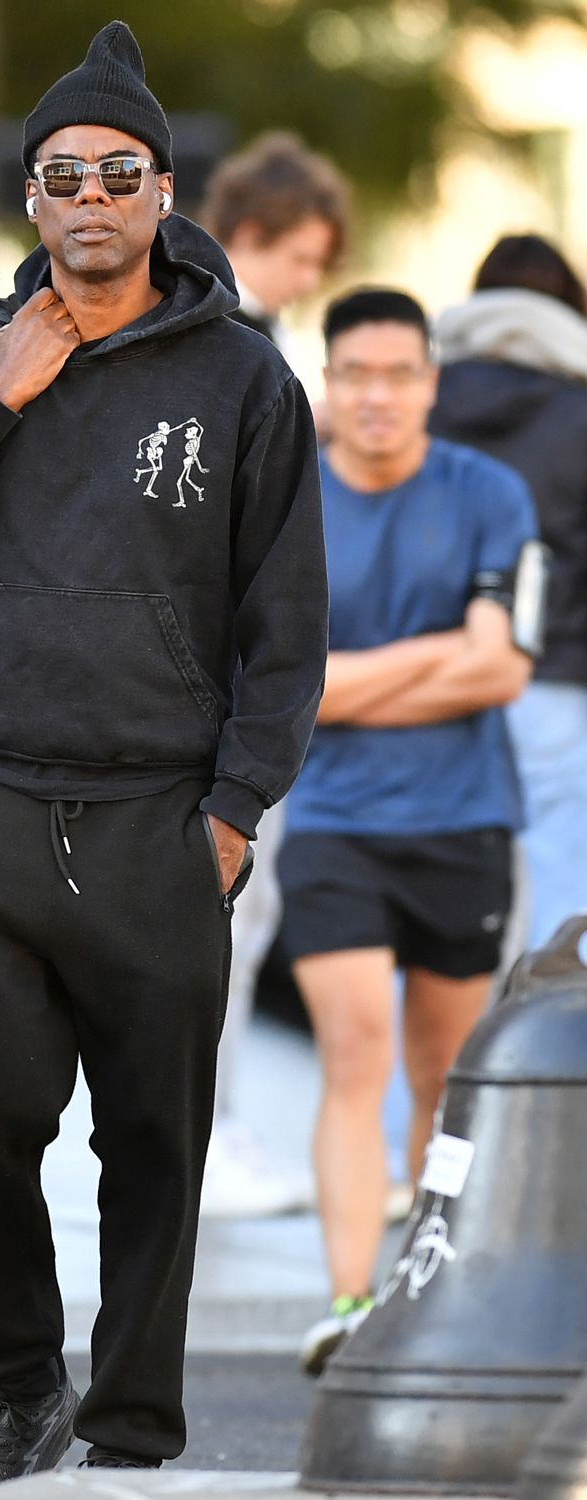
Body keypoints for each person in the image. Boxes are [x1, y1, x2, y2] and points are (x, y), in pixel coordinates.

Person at [0, 20, 328, 1484]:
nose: (92, 195)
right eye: (64, 175)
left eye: (121, 172)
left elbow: (286, 621)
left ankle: (126, 1436)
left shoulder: (244, 381)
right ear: (32, 199)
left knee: (157, 1146)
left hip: (160, 813)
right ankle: (18, 1377)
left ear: (166, 194)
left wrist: (236, 808)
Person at [278, 289, 538, 1375]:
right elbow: (291, 688)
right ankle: (347, 1302)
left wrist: (346, 681)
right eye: (356, 376)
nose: (377, 396)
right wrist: (435, 661)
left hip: (463, 821)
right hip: (331, 821)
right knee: (354, 1056)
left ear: (430, 383)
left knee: (443, 1075)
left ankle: (428, 1302)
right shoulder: (285, 502)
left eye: (398, 375)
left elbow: (503, 667)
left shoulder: (489, 493)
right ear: (327, 387)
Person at [197, 133, 349, 1218]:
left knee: (236, 917)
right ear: (253, 236)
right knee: (230, 915)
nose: (310, 278)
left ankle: (207, 1125)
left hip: (229, 671)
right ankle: (206, 1130)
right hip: (230, 677)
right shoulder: (235, 344)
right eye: (300, 255)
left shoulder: (239, 338)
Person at [432, 235, 587, 948]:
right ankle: (541, 1058)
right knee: (555, 903)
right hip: (554, 682)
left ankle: (425, 1065)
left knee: (428, 906)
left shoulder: (418, 398)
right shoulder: (580, 409)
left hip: (424, 682)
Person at [199, 131, 348, 347]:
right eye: (301, 259)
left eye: (319, 264)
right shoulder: (202, 331)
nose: (311, 281)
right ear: (248, 236)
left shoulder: (270, 327)